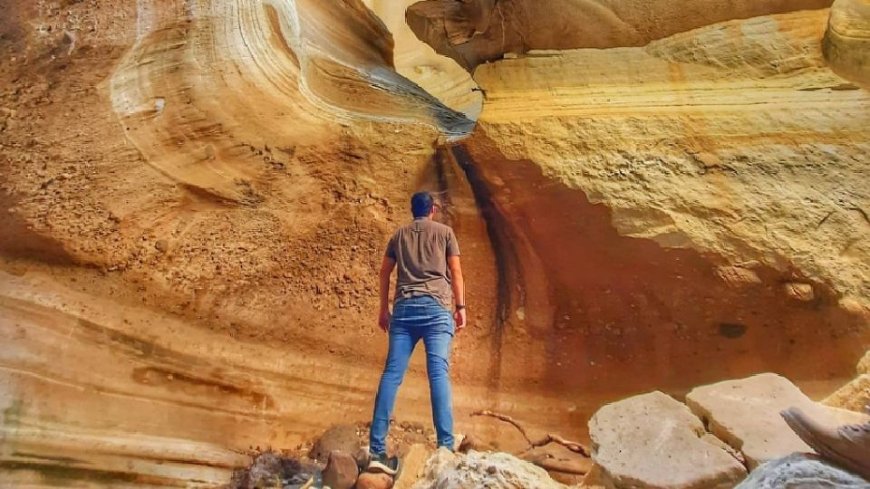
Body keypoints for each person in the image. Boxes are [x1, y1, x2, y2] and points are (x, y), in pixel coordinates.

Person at [367, 191, 466, 474]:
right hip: (437, 310)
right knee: (438, 374)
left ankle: (376, 451)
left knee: (391, 375)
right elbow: (456, 272)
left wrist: (383, 309)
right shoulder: (446, 233)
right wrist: (461, 307)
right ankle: (445, 446)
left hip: (405, 310)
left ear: (413, 211)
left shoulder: (399, 235)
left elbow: (384, 272)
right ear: (432, 209)